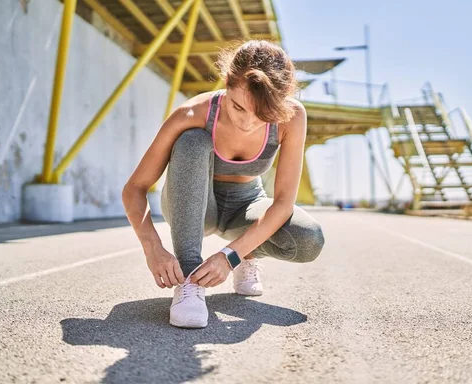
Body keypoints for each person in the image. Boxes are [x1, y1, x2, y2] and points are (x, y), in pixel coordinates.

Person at [122, 40, 325, 328]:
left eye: (261, 115)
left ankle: (247, 254)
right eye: (238, 107)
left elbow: (283, 203)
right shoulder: (192, 113)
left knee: (309, 241)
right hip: (194, 205)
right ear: (227, 83)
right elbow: (135, 188)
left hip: (247, 203)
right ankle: (190, 281)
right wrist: (152, 247)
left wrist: (231, 256)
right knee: (193, 140)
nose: (246, 122)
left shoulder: (292, 116)